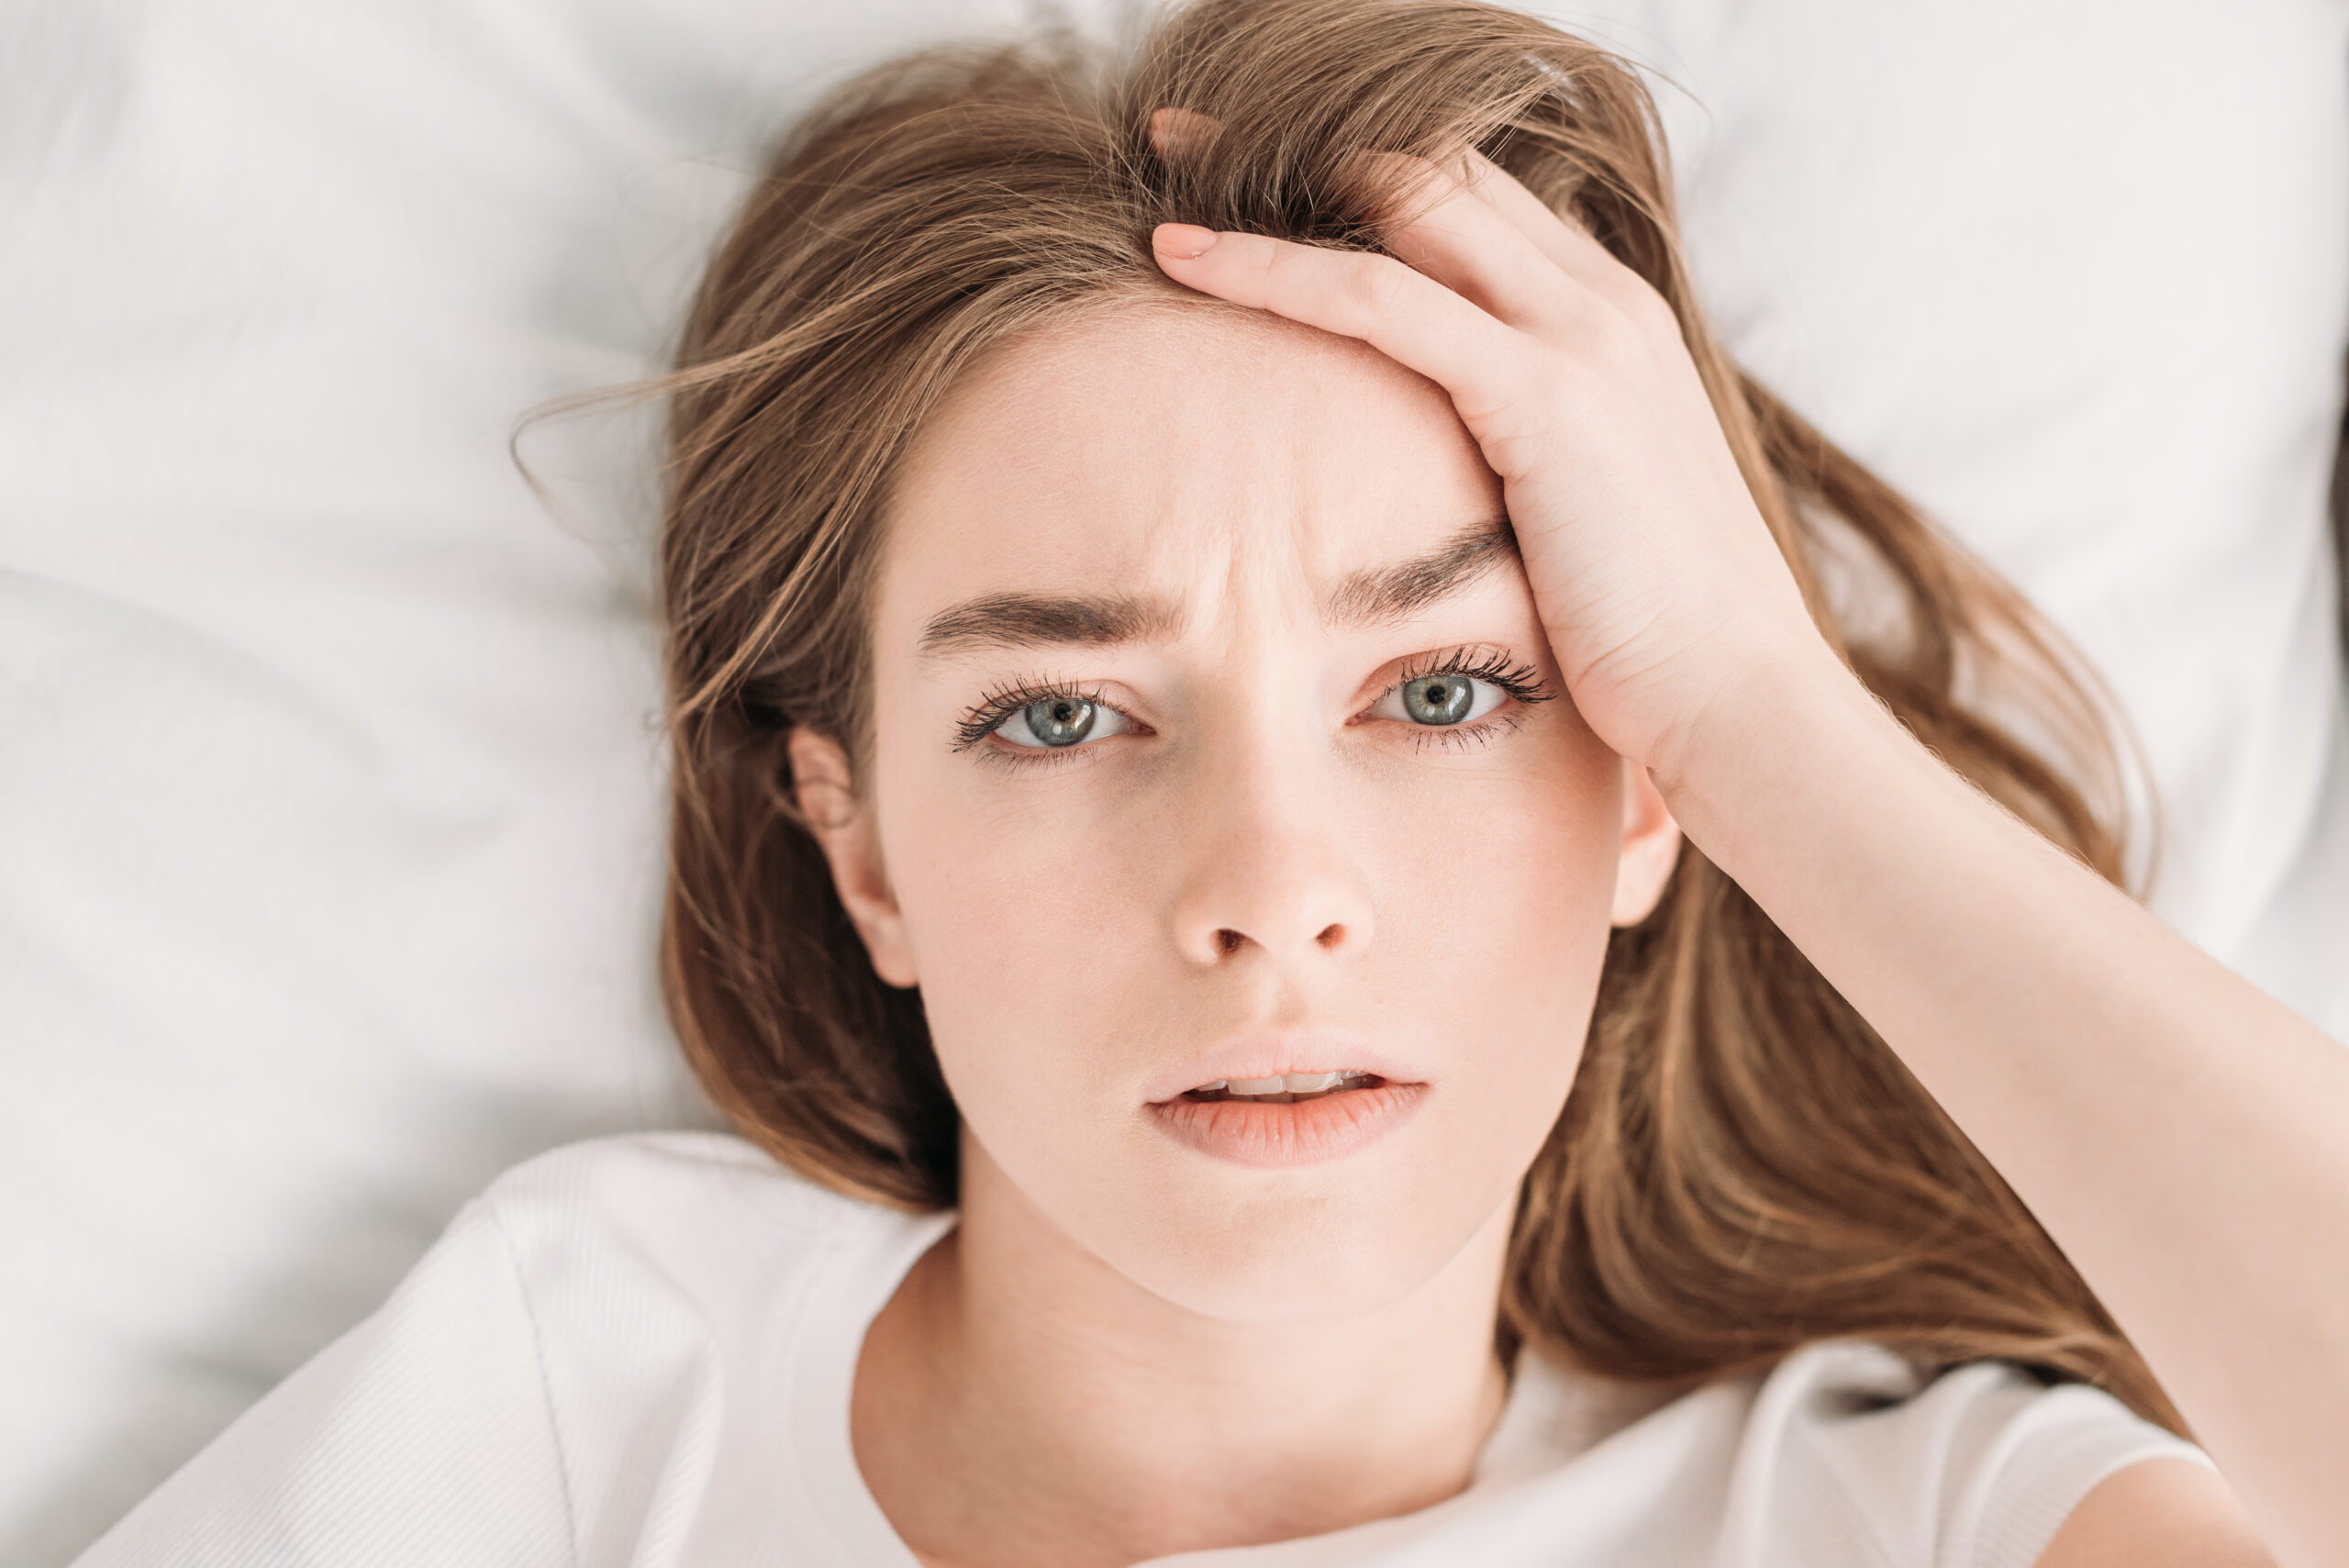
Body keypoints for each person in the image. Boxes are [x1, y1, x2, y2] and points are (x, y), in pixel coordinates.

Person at [74, 1, 2348, 1564]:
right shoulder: (589, 1383)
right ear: (851, 843)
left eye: (1447, 692)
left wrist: (1766, 720)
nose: (1269, 892)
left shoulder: (1915, 1522)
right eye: (1057, 717)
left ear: (1645, 791)